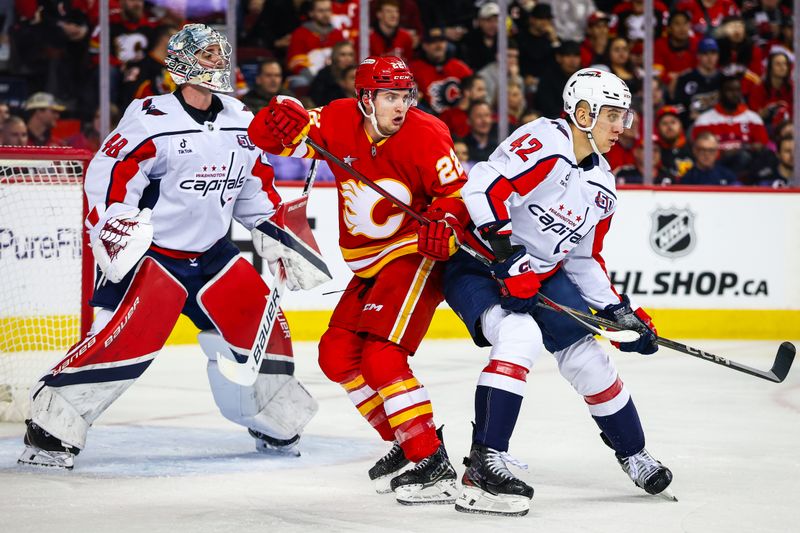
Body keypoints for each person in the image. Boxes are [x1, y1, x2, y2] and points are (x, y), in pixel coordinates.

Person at [18, 24, 330, 470]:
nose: (217, 63)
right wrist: (114, 224)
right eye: (206, 56)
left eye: (220, 55)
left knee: (267, 334)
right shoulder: (150, 118)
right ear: (182, 62)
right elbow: (110, 176)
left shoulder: (241, 120)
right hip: (155, 256)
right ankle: (50, 431)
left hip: (213, 255)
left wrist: (276, 231)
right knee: (125, 348)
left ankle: (271, 420)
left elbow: (254, 190)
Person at [443, 68, 672, 516]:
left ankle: (634, 452)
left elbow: (584, 259)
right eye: (612, 115)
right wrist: (509, 257)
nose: (621, 127)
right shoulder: (547, 141)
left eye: (624, 116)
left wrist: (619, 310)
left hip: (541, 274)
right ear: (582, 113)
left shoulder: (603, 183)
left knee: (590, 357)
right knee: (520, 338)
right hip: (480, 262)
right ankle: (483, 464)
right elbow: (483, 186)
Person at [247, 55, 470, 505]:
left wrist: (445, 220)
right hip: (369, 263)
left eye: (405, 96)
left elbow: (455, 195)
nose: (400, 106)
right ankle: (408, 445)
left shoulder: (428, 134)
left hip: (413, 252)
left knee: (383, 358)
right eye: (389, 97)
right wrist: (271, 120)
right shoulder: (336, 118)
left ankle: (431, 461)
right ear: (364, 99)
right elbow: (272, 141)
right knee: (336, 354)